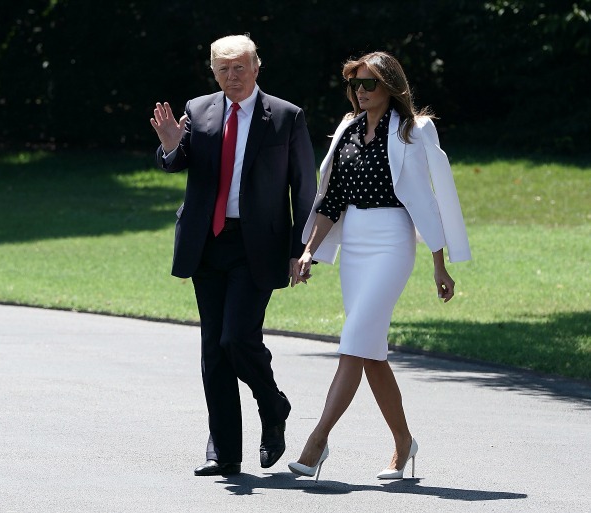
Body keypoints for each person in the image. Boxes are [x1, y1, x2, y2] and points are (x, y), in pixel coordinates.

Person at [286, 51, 471, 481]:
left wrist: (439, 264)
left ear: (390, 86)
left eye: (370, 84)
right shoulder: (347, 131)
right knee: (369, 351)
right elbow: (330, 200)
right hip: (355, 242)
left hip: (392, 238)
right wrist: (309, 249)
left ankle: (316, 442)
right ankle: (404, 442)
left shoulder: (413, 131)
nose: (362, 92)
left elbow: (429, 200)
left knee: (354, 340)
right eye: (356, 85)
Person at [149, 35, 316, 476]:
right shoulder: (200, 108)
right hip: (207, 242)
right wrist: (169, 145)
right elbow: (177, 158)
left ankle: (272, 405)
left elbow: (305, 187)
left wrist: (303, 249)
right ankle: (224, 451)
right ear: (213, 72)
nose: (232, 77)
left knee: (236, 338)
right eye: (223, 69)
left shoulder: (285, 116)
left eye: (240, 67)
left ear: (257, 66)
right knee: (213, 349)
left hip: (257, 245)